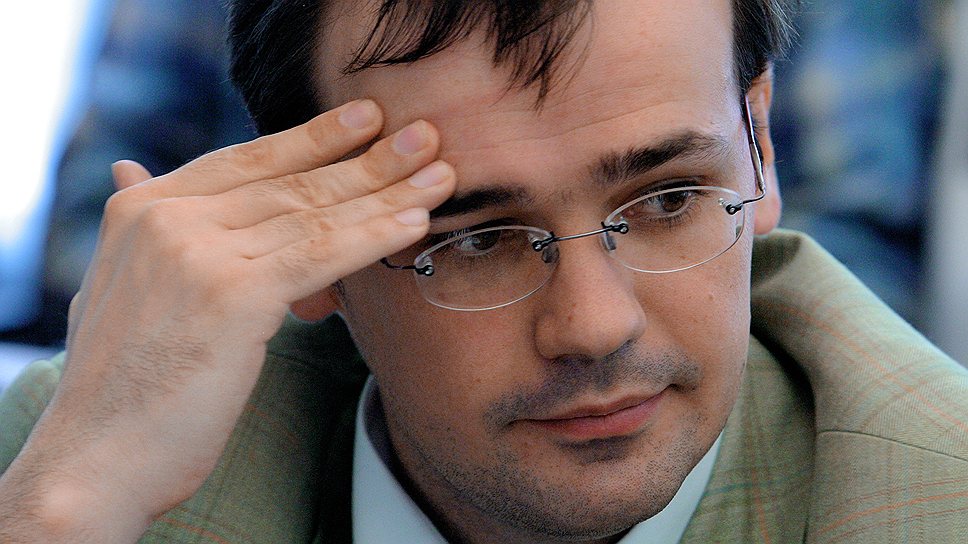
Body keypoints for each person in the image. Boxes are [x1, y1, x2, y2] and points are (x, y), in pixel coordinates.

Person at [1, 1, 966, 543]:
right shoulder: (73, 462)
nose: (595, 325)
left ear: (759, 145)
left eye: (669, 201)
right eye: (476, 239)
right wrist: (67, 510)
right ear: (311, 235)